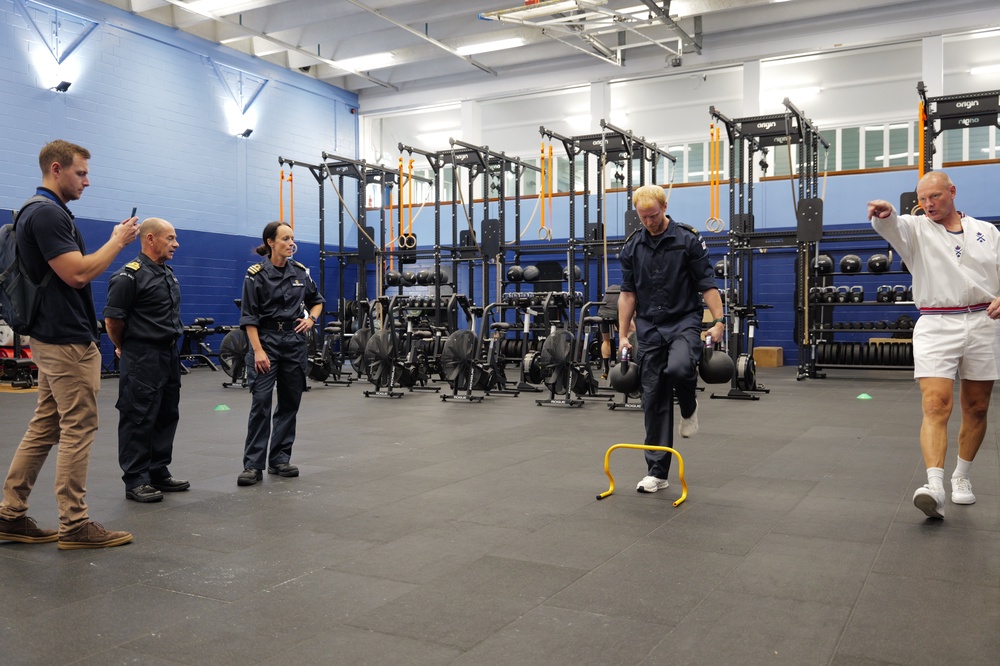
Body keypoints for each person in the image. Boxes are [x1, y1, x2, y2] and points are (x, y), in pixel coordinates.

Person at [0, 140, 138, 549]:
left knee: (46, 425)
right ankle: (74, 524)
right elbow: (77, 274)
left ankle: (10, 514)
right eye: (81, 173)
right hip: (64, 340)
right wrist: (117, 241)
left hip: (52, 335)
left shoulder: (39, 211)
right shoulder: (45, 214)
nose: (87, 181)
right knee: (78, 426)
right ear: (56, 169)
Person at [868, 171, 1000, 519]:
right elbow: (894, 226)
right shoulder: (915, 228)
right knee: (935, 403)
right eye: (923, 199)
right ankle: (935, 486)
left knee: (976, 407)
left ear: (952, 192)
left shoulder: (988, 232)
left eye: (936, 197)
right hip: (937, 323)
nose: (929, 204)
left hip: (984, 322)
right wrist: (886, 214)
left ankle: (961, 478)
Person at [618, 184, 725, 493]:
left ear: (664, 207)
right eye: (643, 217)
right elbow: (627, 294)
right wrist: (624, 335)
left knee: (679, 368)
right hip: (649, 327)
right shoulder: (632, 247)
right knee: (653, 400)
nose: (649, 222)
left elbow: (707, 284)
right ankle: (657, 473)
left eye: (653, 215)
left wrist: (718, 322)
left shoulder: (687, 240)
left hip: (683, 322)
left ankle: (689, 408)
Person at [104, 218, 188, 503]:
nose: (175, 244)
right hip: (142, 355)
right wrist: (123, 347)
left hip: (168, 353)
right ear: (150, 239)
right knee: (138, 415)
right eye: (170, 238)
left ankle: (157, 470)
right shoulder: (129, 275)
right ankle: (136, 479)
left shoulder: (168, 274)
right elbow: (113, 320)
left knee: (166, 413)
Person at [237, 221, 324, 486]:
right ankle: (253, 465)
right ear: (271, 242)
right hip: (266, 341)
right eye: (285, 239)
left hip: (294, 342)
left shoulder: (299, 272)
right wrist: (259, 351)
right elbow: (249, 318)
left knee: (289, 403)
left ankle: (279, 459)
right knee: (261, 404)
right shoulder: (255, 275)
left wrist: (311, 320)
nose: (290, 243)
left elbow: (317, 301)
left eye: (292, 238)